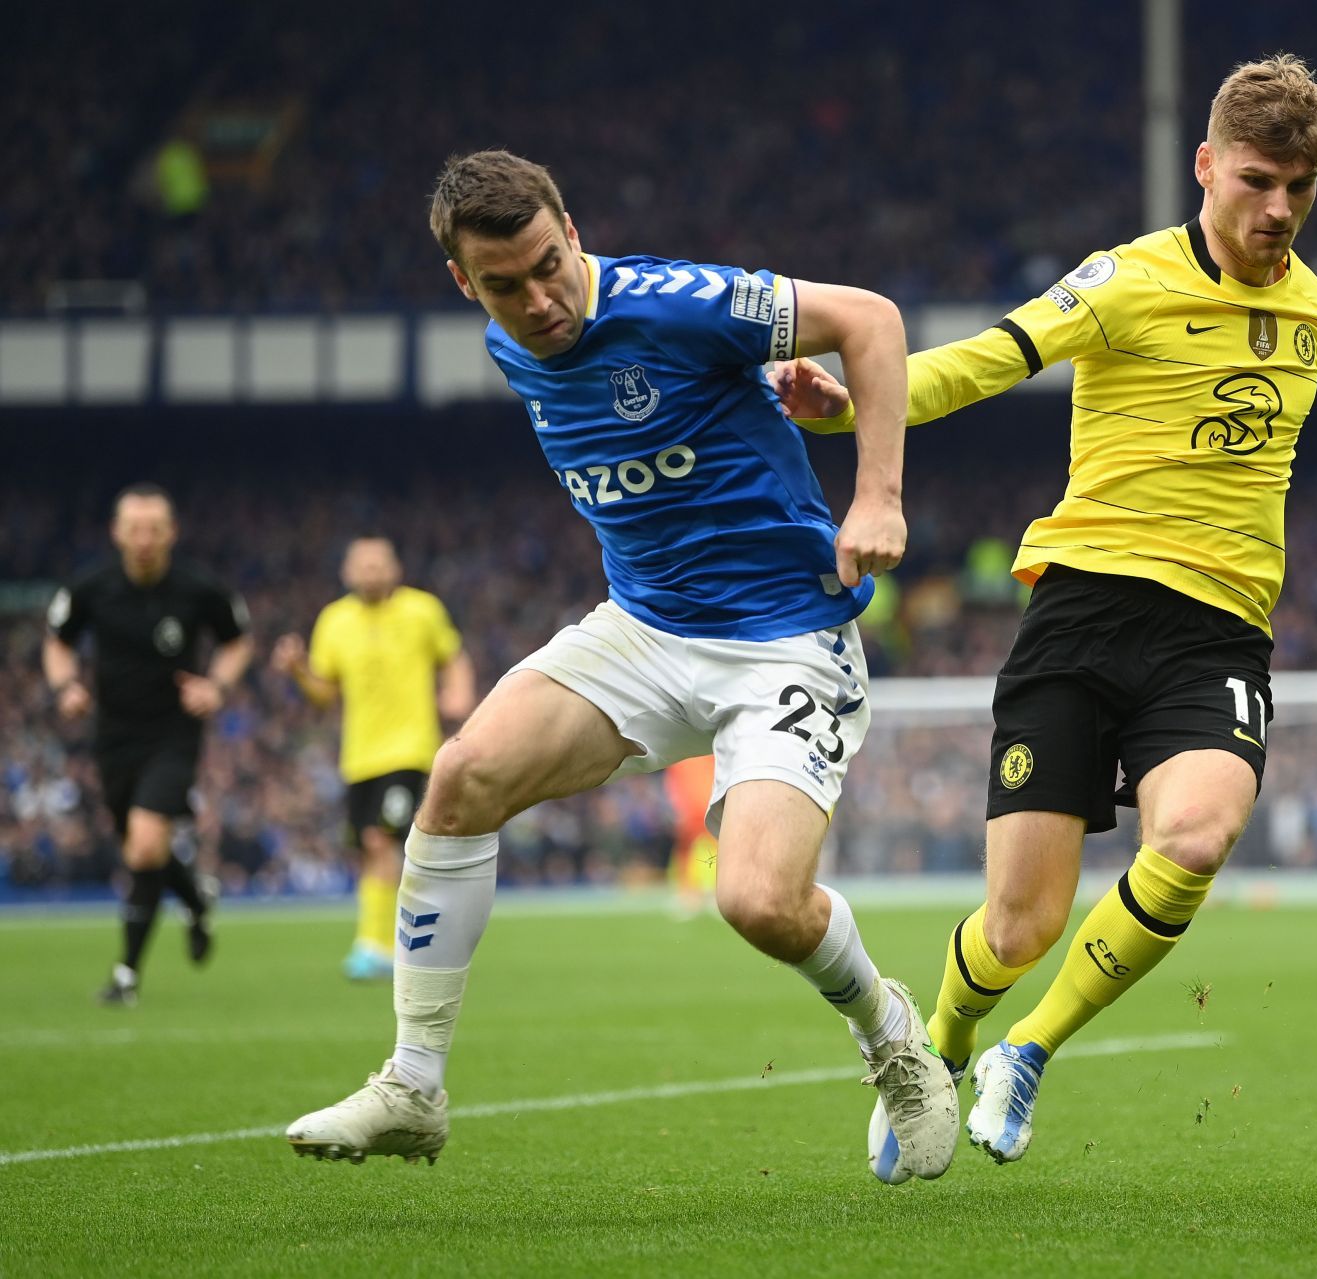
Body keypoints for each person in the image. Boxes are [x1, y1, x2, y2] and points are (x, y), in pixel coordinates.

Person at [285, 150, 958, 1181]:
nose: (540, 300)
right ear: (466, 284)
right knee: (460, 781)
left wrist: (877, 497)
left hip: (783, 633)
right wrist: (755, 384)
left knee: (759, 903)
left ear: (574, 230)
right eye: (506, 286)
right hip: (643, 629)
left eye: (551, 265)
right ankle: (414, 1085)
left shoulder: (678, 303)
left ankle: (893, 1040)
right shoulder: (511, 346)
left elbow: (870, 319)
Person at [780, 53, 1317, 1170]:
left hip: (1217, 631)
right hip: (1084, 612)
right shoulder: (1125, 280)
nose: (1280, 208)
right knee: (1018, 926)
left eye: (1301, 187)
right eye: (1257, 181)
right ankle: (937, 1049)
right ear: (1204, 167)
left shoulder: (1315, 314)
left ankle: (1032, 1049)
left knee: (1195, 831)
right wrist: (857, 404)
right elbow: (989, 361)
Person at [42, 482, 254, 1006]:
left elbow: (237, 639)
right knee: (144, 851)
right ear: (116, 533)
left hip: (173, 733)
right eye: (134, 528)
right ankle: (196, 899)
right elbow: (58, 642)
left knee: (144, 841)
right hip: (113, 735)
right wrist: (66, 686)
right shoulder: (91, 589)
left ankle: (126, 976)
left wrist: (217, 686)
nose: (144, 538)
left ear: (171, 533)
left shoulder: (198, 590)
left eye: (154, 529)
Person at [271, 537, 476, 982]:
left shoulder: (422, 610)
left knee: (382, 841)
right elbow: (325, 694)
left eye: (379, 563)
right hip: (359, 757)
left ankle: (375, 943)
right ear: (347, 572)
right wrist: (299, 671)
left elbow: (453, 654)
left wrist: (458, 691)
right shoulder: (334, 620)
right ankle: (391, 940)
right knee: (368, 847)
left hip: (409, 750)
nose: (371, 571)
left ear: (395, 567)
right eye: (362, 565)